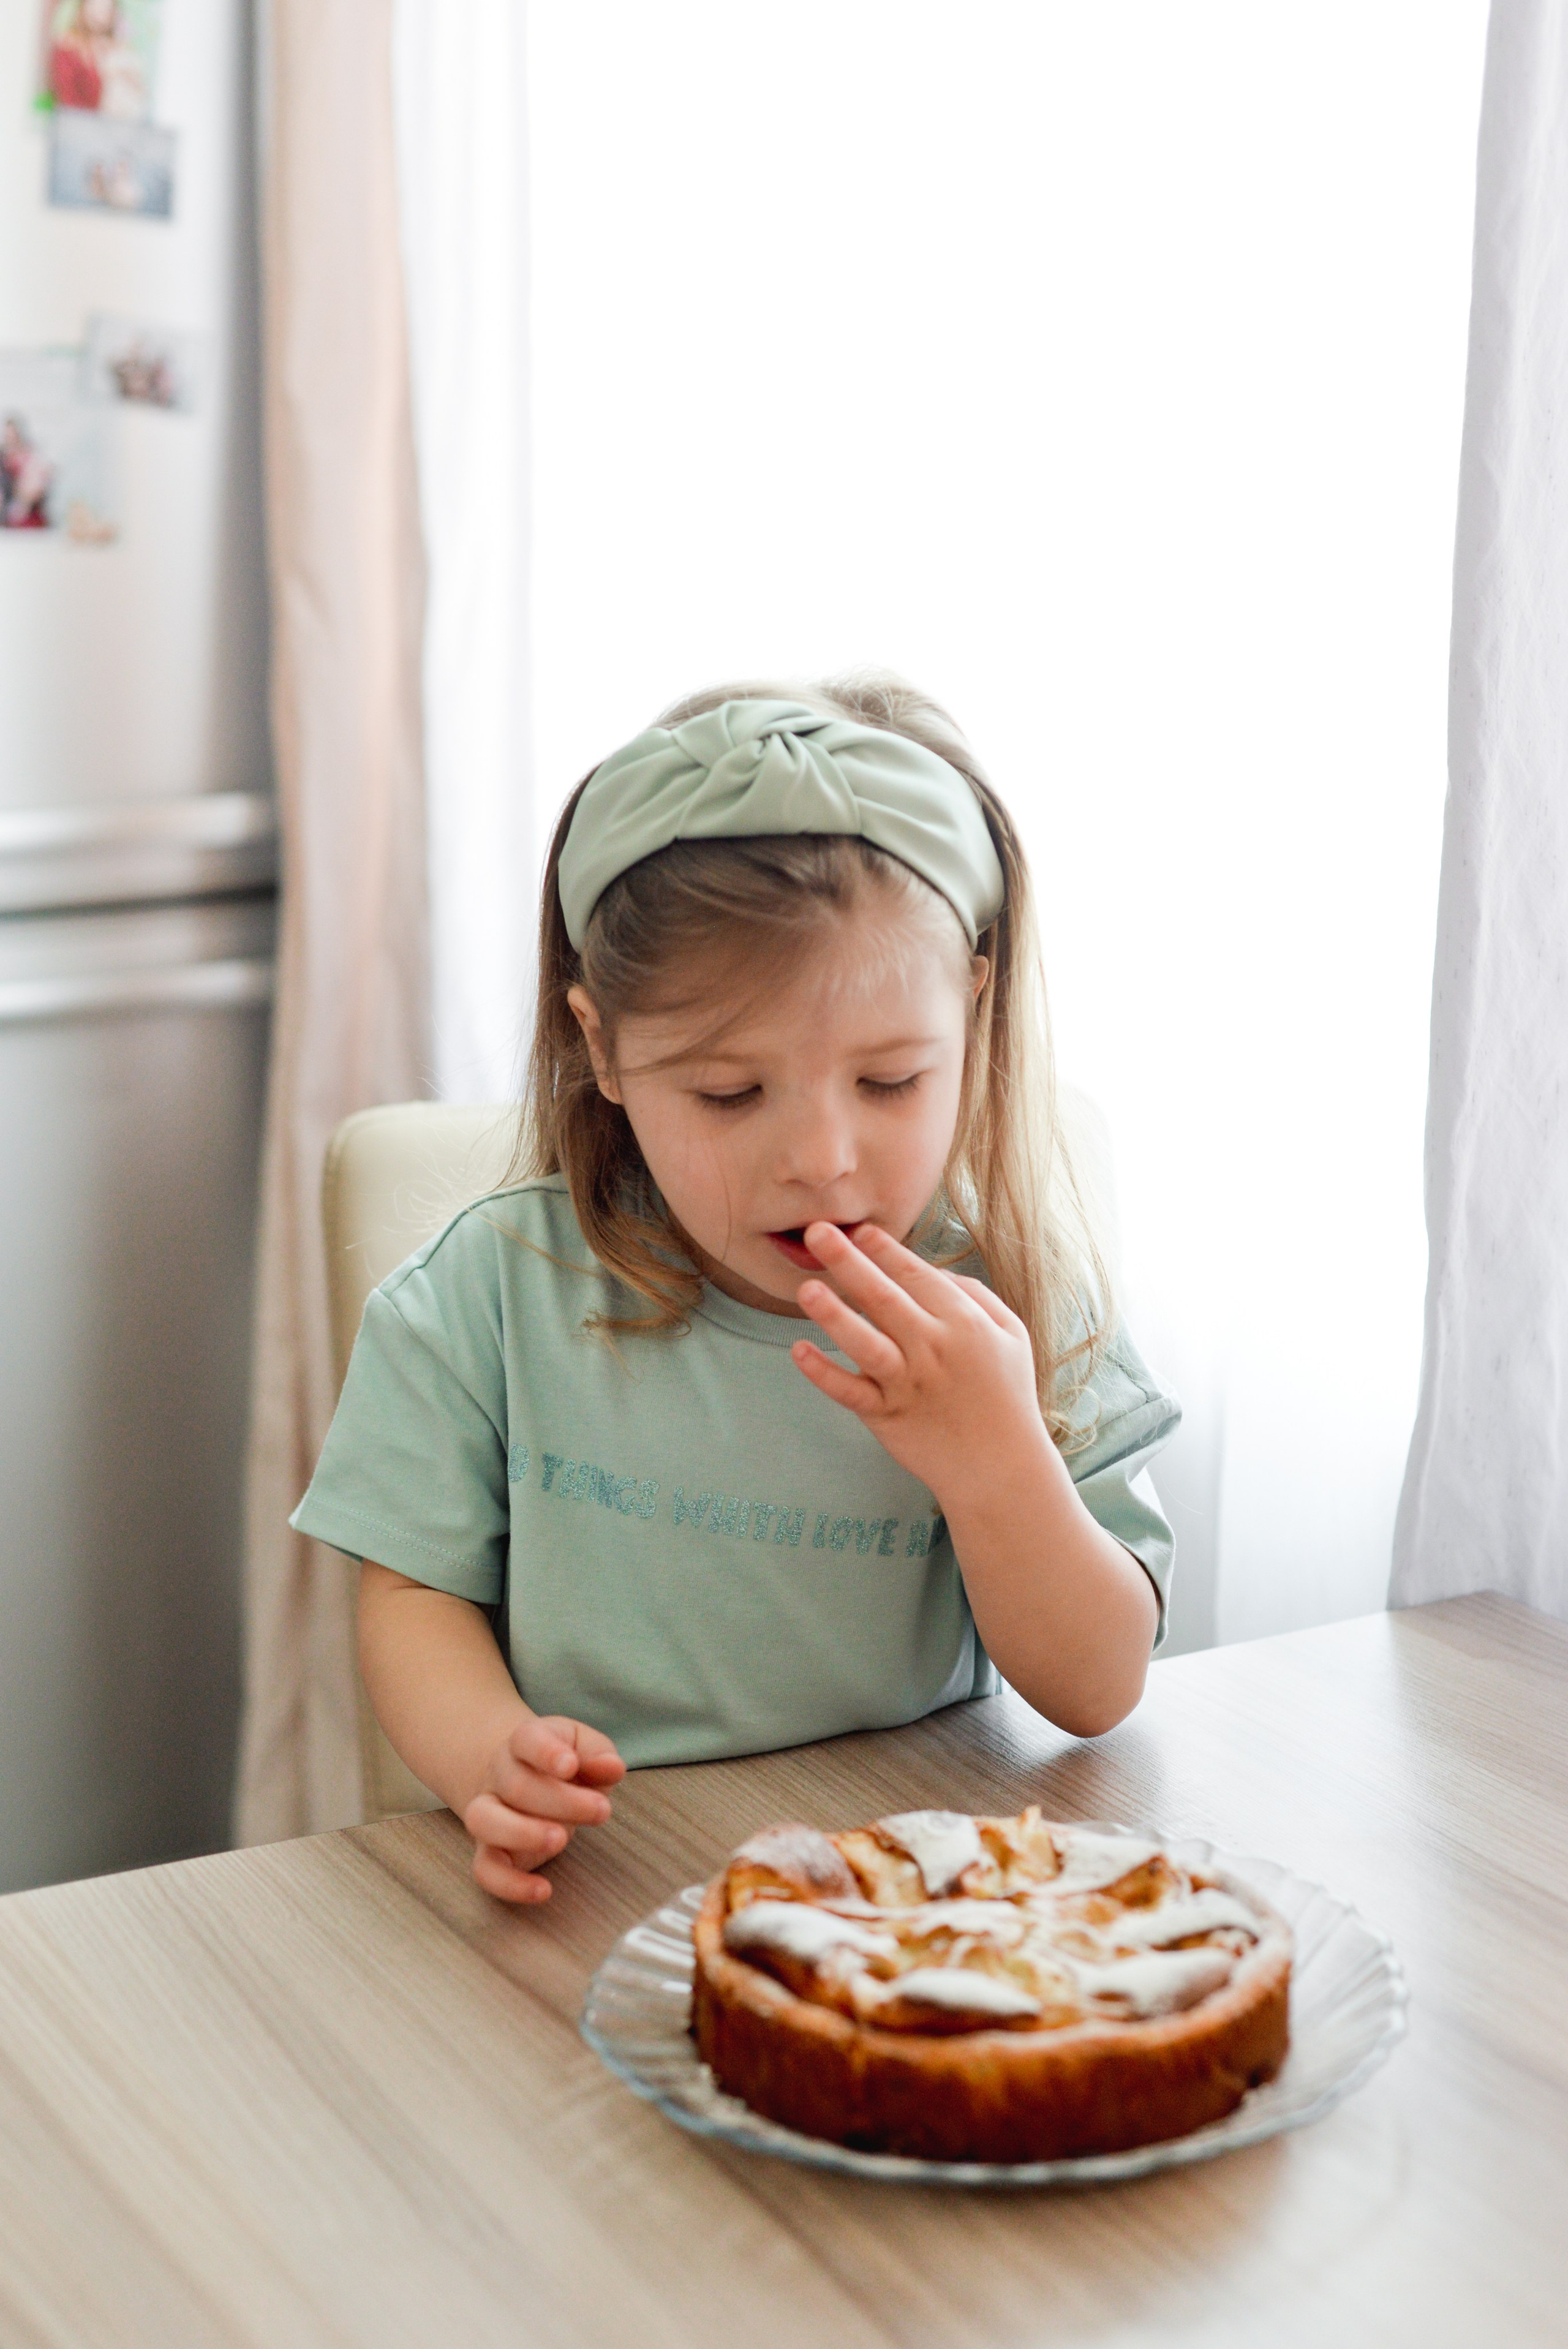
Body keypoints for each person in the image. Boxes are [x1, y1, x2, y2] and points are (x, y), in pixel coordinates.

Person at [292, 677, 1182, 1905]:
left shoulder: (1009, 1294)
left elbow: (1096, 1689)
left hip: (912, 1898)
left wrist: (994, 1460)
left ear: (970, 1015)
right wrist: (482, 1749)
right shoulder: (485, 1299)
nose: (820, 1156)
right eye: (727, 1092)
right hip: (615, 1877)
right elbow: (410, 1590)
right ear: (599, 1046)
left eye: (889, 1081)